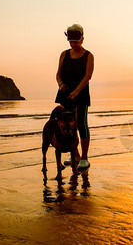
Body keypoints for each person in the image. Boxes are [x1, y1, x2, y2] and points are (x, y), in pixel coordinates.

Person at [55, 24, 94, 170]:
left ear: (82, 39)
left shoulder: (88, 56)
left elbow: (88, 76)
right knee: (68, 125)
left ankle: (84, 158)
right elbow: (58, 73)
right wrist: (60, 84)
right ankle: (74, 155)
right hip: (65, 92)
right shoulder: (64, 54)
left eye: (76, 41)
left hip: (81, 93)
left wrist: (77, 91)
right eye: (71, 41)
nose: (73, 44)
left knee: (81, 123)